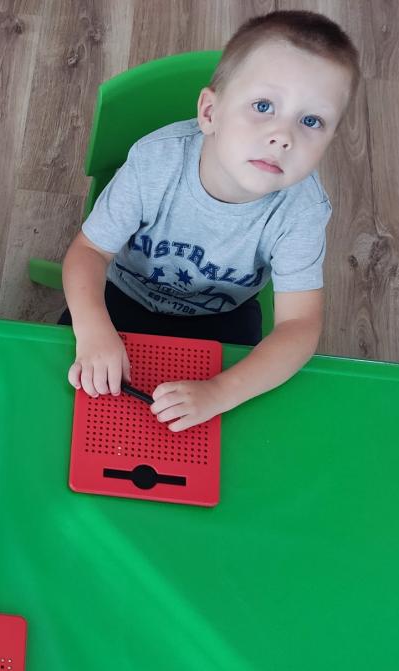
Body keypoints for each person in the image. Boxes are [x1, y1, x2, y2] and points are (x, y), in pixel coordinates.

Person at [63, 11, 359, 431]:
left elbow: (299, 326)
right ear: (209, 112)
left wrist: (221, 391)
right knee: (67, 408)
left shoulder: (302, 210)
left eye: (311, 121)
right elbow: (89, 251)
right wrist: (93, 329)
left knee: (235, 435)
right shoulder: (155, 163)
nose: (283, 136)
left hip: (220, 317)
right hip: (121, 294)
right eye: (263, 106)